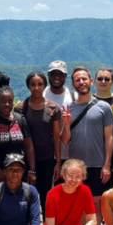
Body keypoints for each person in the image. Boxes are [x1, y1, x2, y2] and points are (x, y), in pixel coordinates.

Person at [62, 67, 113, 222]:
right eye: (78, 80)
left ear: (91, 81)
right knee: (78, 204)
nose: (81, 82)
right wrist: (66, 124)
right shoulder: (68, 109)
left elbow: (109, 137)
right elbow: (64, 140)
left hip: (97, 164)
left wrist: (107, 164)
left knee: (97, 204)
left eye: (84, 79)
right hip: (76, 166)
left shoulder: (103, 107)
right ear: (73, 85)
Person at [14, 71, 69, 212]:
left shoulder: (53, 108)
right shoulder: (20, 108)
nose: (36, 88)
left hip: (47, 158)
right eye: (33, 84)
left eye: (40, 84)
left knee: (45, 196)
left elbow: (56, 136)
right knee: (24, 197)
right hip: (24, 159)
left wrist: (57, 163)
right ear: (28, 86)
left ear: (45, 85)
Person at [0, 74, 36, 188]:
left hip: (18, 174)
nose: (7, 104)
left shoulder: (20, 119)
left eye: (10, 101)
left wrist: (32, 171)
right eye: (3, 101)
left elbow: (28, 146)